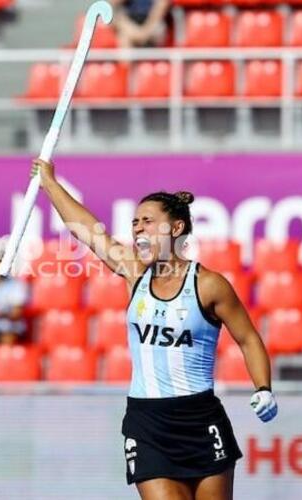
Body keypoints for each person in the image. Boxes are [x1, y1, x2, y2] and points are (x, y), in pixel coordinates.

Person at [30, 159, 277, 500]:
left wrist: (263, 387)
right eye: (134, 222)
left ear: (175, 228)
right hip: (147, 423)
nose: (138, 228)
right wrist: (50, 184)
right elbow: (87, 230)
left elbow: (248, 338)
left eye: (148, 221)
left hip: (200, 420)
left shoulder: (209, 285)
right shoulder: (134, 273)